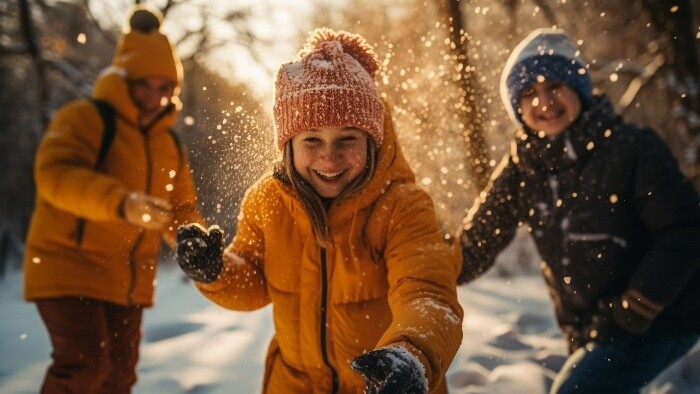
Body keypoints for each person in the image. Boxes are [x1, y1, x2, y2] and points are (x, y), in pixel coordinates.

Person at [175, 28, 463, 393]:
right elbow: (253, 280)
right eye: (312, 139)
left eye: (348, 139)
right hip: (293, 383)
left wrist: (410, 354)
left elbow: (428, 294)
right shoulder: (268, 201)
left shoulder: (403, 207)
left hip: (384, 384)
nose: (330, 156)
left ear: (373, 142)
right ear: (288, 145)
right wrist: (215, 270)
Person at [456, 28, 700, 393]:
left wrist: (634, 308)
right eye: (529, 94)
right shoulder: (524, 169)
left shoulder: (631, 148)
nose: (544, 102)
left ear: (579, 88)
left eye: (554, 86)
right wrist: (418, 262)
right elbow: (474, 247)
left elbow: (685, 229)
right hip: (595, 327)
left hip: (664, 315)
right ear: (517, 108)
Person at [23, 5, 202, 393]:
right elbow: (55, 176)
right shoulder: (85, 118)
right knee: (84, 366)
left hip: (128, 280)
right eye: (144, 84)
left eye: (164, 87)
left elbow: (182, 209)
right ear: (124, 79)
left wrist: (193, 240)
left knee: (119, 380)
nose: (154, 97)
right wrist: (121, 202)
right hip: (69, 265)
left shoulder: (169, 143)